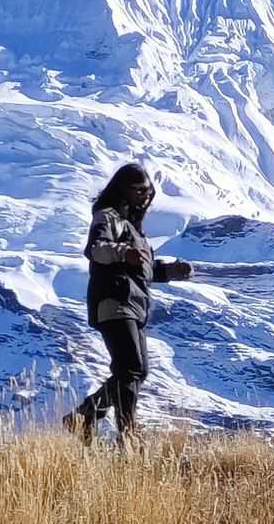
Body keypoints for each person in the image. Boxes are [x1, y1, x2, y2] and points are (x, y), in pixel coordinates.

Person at [64, 163, 192, 444]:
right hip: (115, 300)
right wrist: (124, 252)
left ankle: (85, 415)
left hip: (132, 304)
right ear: (122, 190)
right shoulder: (107, 217)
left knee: (135, 369)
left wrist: (171, 271)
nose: (144, 197)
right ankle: (127, 435)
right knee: (132, 368)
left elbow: (143, 269)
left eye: (147, 192)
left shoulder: (133, 229)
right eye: (138, 190)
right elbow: (96, 249)